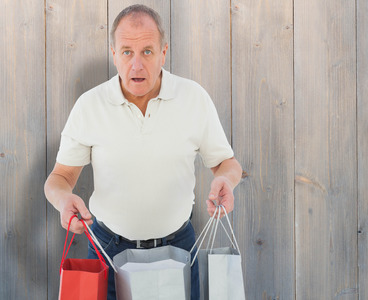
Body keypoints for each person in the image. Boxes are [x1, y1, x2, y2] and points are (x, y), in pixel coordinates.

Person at [44, 4, 242, 300]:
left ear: (163, 52)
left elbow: (227, 164)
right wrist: (63, 200)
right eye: (127, 52)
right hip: (108, 252)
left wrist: (226, 180)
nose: (136, 65)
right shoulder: (90, 105)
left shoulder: (193, 98)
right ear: (114, 54)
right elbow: (59, 177)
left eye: (147, 52)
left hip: (179, 248)